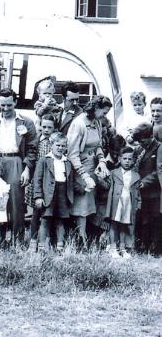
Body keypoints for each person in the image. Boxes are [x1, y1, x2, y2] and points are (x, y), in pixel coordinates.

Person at [0, 88, 37, 244]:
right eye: (2, 105)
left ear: (15, 103)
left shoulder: (26, 121)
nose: (5, 109)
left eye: (9, 105)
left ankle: (17, 241)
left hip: (16, 161)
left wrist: (27, 169)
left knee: (15, 203)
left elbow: (32, 148)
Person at [67, 95, 112, 245]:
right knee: (81, 207)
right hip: (80, 169)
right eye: (104, 112)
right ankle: (80, 239)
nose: (104, 116)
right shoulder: (78, 123)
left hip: (94, 167)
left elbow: (98, 145)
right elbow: (72, 154)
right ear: (95, 108)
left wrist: (102, 161)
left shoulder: (97, 122)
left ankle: (90, 237)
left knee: (92, 204)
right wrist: (84, 176)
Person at [32, 132, 74, 252]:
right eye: (58, 145)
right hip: (48, 194)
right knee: (45, 220)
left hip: (63, 193)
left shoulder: (67, 162)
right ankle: (41, 247)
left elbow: (71, 181)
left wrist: (83, 188)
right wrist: (38, 196)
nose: (60, 148)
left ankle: (60, 247)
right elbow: (37, 179)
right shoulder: (44, 160)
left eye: (63, 146)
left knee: (61, 221)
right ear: (51, 145)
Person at [26, 113, 56, 249]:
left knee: (49, 213)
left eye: (49, 127)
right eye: (44, 126)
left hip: (51, 182)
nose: (46, 130)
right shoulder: (36, 140)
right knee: (36, 212)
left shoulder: (55, 142)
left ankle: (47, 240)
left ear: (54, 128)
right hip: (37, 180)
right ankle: (33, 240)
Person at [131, 122, 162, 254]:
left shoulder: (159, 148)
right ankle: (143, 246)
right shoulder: (138, 149)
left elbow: (159, 171)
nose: (140, 143)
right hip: (141, 193)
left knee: (156, 220)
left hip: (154, 192)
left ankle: (156, 249)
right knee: (143, 220)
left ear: (150, 137)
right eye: (138, 141)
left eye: (142, 141)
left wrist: (145, 181)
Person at [105, 146, 140, 259]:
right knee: (114, 224)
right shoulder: (114, 173)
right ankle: (113, 248)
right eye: (124, 158)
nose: (127, 161)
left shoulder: (136, 175)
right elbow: (108, 188)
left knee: (124, 225)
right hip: (116, 203)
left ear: (133, 160)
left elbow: (138, 193)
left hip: (128, 203)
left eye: (130, 159)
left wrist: (138, 204)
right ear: (119, 159)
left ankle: (123, 248)